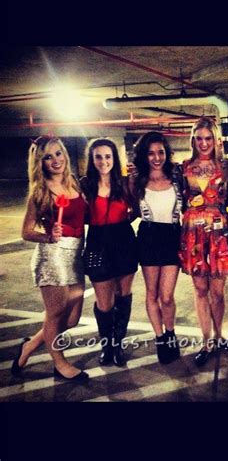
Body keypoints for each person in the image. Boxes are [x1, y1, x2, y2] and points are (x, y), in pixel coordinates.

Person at [14, 135, 88, 381]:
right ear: (40, 163)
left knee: (72, 319)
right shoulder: (41, 192)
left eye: (58, 153)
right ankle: (60, 363)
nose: (56, 160)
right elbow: (26, 232)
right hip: (53, 257)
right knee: (55, 315)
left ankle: (29, 346)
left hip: (76, 256)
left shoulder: (74, 183)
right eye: (48, 157)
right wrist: (47, 236)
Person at [179, 118, 228, 367]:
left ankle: (219, 335)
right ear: (193, 140)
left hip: (218, 232)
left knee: (218, 292)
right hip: (193, 232)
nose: (204, 143)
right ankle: (206, 341)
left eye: (208, 138)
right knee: (200, 289)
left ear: (216, 140)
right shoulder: (184, 167)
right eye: (199, 138)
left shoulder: (226, 167)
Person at [81, 138, 138, 367]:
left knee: (123, 295)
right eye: (98, 157)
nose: (103, 161)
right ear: (92, 159)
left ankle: (117, 345)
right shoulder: (84, 185)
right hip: (97, 243)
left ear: (115, 159)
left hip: (123, 241)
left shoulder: (124, 183)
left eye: (108, 156)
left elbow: (137, 210)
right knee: (104, 303)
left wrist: (123, 221)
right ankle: (107, 345)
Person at [131, 132, 183, 365]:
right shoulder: (137, 181)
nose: (156, 157)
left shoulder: (176, 178)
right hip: (148, 237)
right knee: (152, 293)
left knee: (167, 295)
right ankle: (160, 338)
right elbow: (130, 210)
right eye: (151, 153)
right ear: (144, 155)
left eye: (160, 152)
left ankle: (170, 333)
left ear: (166, 153)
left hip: (172, 236)